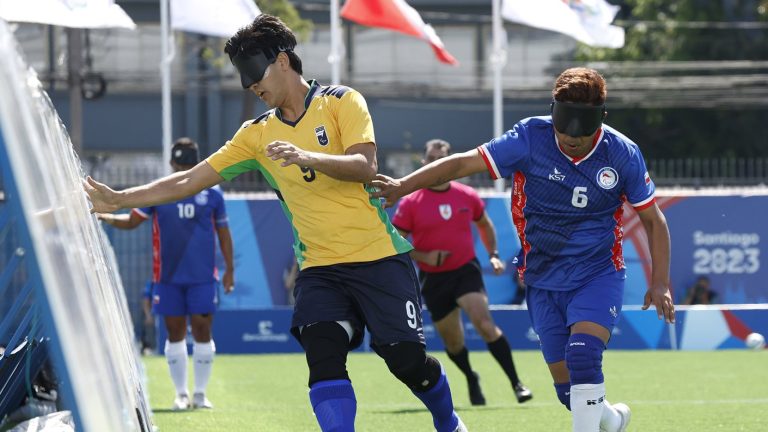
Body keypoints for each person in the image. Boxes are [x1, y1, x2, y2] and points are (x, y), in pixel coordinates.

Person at [85, 15, 466, 432]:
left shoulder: (342, 101)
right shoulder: (255, 135)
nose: (252, 87)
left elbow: (364, 164)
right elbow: (190, 179)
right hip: (320, 268)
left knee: (406, 362)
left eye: (256, 76)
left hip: (380, 259)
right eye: (246, 82)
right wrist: (121, 197)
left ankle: (447, 421)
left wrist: (309, 157)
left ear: (283, 61)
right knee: (322, 356)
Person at [372, 68, 675, 432]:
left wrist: (660, 283)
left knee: (583, 355)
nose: (572, 138)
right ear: (553, 112)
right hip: (542, 277)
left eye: (584, 129)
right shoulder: (530, 137)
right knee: (569, 393)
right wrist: (404, 185)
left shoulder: (623, 153)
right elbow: (461, 163)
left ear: (601, 118)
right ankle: (612, 419)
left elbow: (654, 221)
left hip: (597, 273)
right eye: (565, 127)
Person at [97, 137, 234, 411]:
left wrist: (230, 269)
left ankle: (200, 394)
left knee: (203, 330)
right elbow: (132, 222)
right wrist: (105, 216)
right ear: (172, 163)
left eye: (188, 163)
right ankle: (181, 394)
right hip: (168, 277)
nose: (183, 167)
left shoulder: (213, 194)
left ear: (196, 162)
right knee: (175, 333)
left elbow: (223, 232)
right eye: (180, 163)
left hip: (202, 277)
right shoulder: (158, 193)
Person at [392, 138, 532, 406]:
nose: (436, 164)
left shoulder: (466, 195)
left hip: (465, 271)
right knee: (454, 343)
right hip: (433, 278)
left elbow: (485, 225)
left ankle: (517, 383)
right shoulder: (411, 202)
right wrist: (425, 256)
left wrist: (493, 255)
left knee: (484, 325)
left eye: (441, 158)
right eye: (431, 159)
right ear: (423, 163)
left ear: (448, 160)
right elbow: (397, 241)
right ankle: (470, 377)